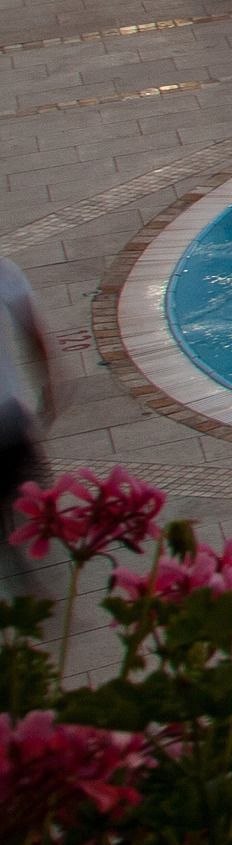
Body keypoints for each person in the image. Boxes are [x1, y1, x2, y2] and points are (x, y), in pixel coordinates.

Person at [0, 253, 47, 596]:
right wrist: (50, 388)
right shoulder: (4, 271)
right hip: (9, 416)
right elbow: (34, 334)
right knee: (29, 499)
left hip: (9, 418)